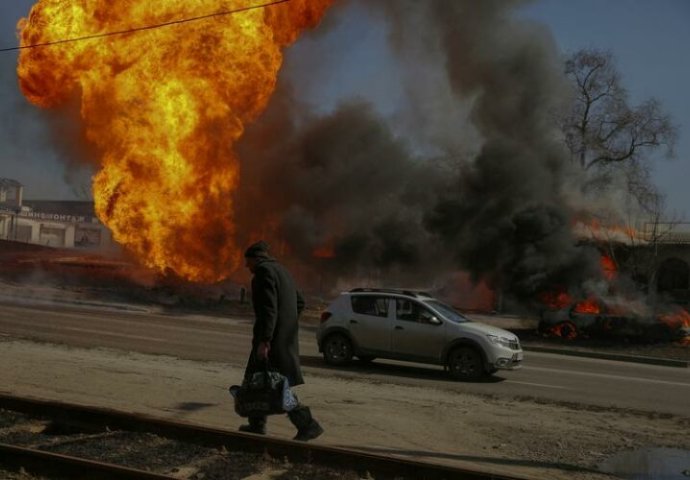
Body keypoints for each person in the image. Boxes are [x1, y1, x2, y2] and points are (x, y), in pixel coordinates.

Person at [239, 240, 324, 441]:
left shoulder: (263, 273)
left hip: (270, 342)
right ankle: (256, 424)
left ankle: (308, 425)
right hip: (283, 339)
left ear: (256, 259)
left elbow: (269, 310)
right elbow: (300, 302)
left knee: (274, 385)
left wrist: (265, 340)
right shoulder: (283, 271)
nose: (246, 266)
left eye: (248, 261)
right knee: (257, 382)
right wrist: (288, 323)